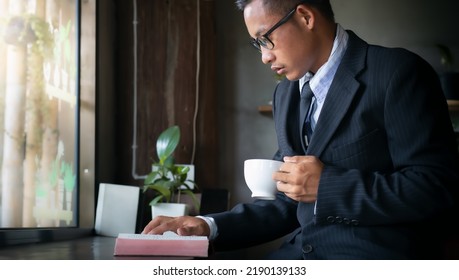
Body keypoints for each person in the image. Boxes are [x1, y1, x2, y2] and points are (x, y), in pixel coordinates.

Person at [142, 0, 459, 259]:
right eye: (257, 45)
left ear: (305, 16)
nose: (265, 57)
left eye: (266, 39)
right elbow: (286, 201)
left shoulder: (396, 73)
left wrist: (327, 187)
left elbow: (436, 187)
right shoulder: (287, 95)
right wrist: (207, 225)